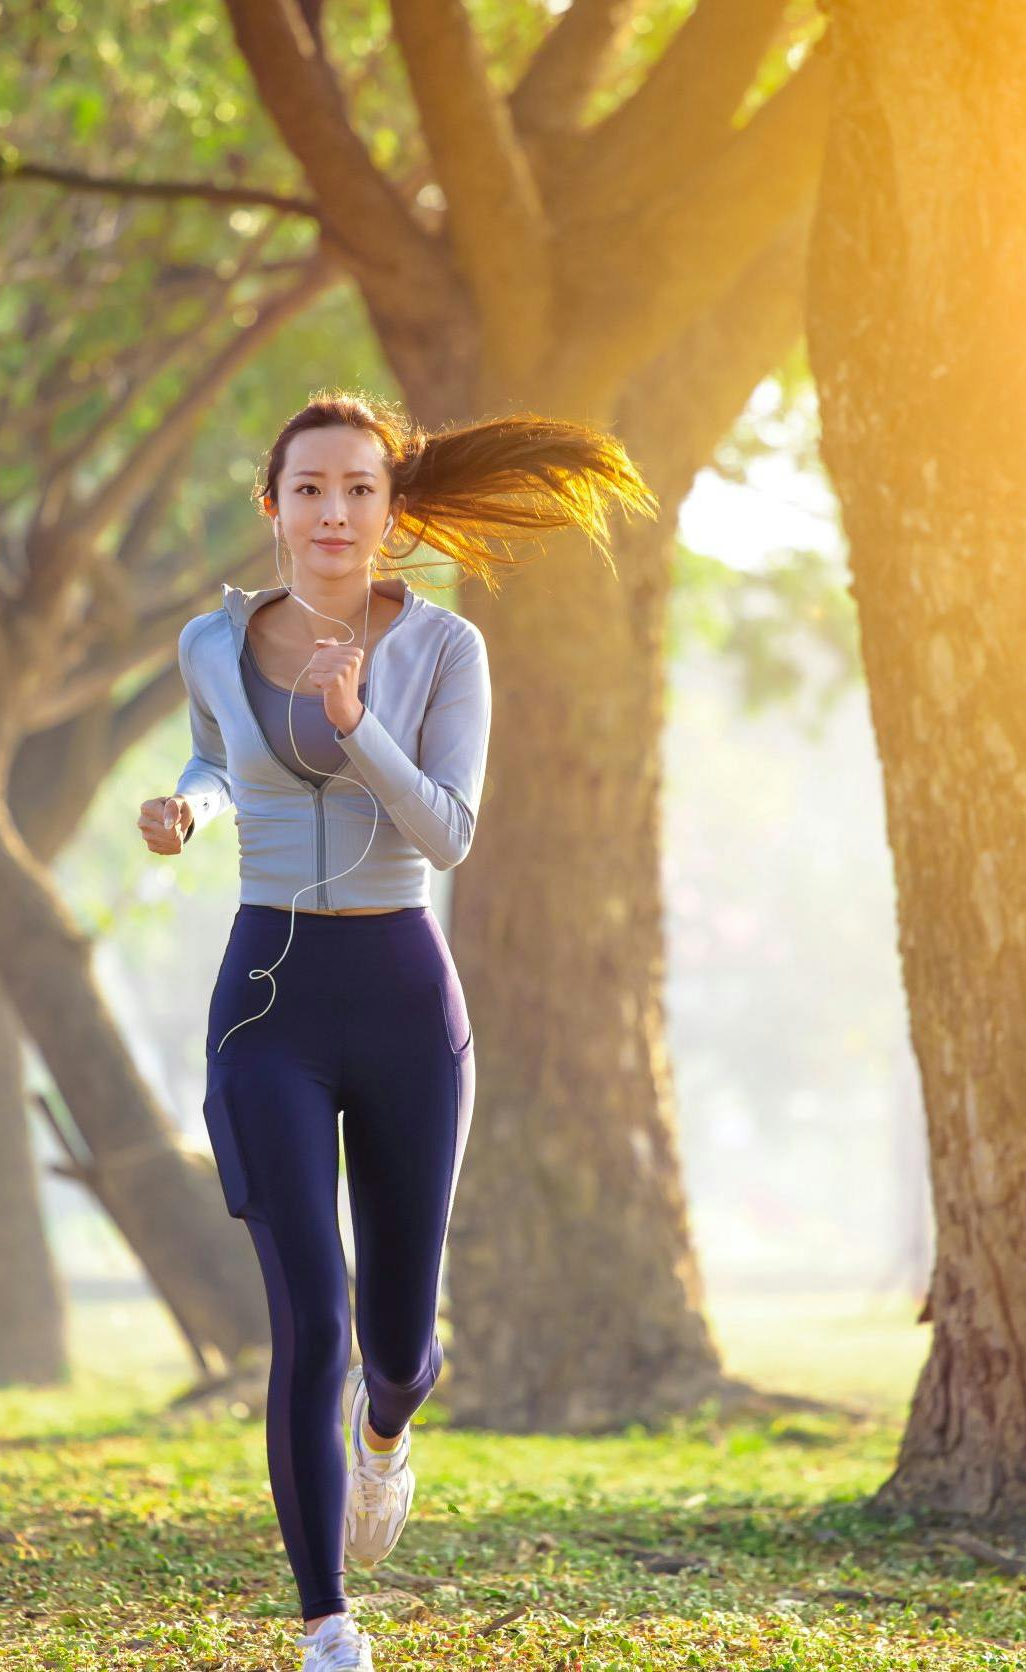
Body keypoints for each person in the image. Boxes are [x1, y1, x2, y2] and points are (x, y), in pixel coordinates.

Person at [138, 389, 656, 1671]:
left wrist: (359, 725)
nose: (333, 511)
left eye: (359, 488)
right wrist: (188, 810)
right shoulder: (211, 642)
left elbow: (450, 832)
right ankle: (325, 1625)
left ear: (392, 509)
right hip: (267, 995)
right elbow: (218, 754)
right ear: (274, 505)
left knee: (396, 1341)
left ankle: (386, 1431)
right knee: (307, 1314)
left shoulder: (444, 651)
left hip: (403, 997)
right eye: (309, 487)